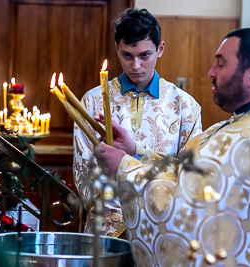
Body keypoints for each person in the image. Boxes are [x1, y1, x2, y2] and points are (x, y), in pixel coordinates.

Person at [95, 27, 250, 266]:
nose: (211, 72)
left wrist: (124, 167)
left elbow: (184, 210)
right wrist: (135, 150)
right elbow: (184, 173)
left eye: (221, 64)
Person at [73, 8, 202, 237]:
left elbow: (189, 173)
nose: (136, 66)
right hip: (106, 232)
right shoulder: (92, 101)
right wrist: (120, 221)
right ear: (117, 49)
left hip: (162, 229)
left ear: (160, 49)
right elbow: (84, 173)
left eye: (145, 55)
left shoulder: (185, 106)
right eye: (127, 55)